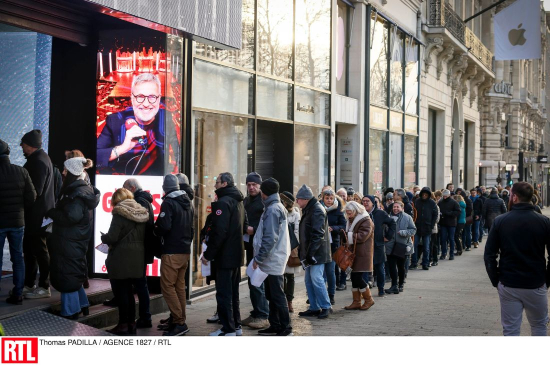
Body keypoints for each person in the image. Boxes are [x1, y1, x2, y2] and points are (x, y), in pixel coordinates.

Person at [484, 182, 550, 336]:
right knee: (539, 326)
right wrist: (546, 280)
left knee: (511, 329)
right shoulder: (544, 221)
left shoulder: (501, 221)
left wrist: (496, 280)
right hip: (535, 282)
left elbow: (489, 254)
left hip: (509, 283)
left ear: (514, 197)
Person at [47, 157, 99, 318]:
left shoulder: (76, 194)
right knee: (73, 273)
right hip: (74, 239)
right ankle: (82, 305)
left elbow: (71, 217)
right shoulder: (84, 190)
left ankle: (70, 311)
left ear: (72, 172)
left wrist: (52, 212)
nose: (63, 172)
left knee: (67, 274)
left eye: (65, 169)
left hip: (69, 240)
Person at [96, 73, 171, 175]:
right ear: (132, 98)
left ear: (159, 98)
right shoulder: (114, 121)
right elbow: (94, 157)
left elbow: (180, 156)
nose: (146, 104)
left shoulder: (167, 119)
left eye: (152, 97)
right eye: (140, 97)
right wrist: (122, 148)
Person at [202, 172, 247, 336]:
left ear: (225, 184)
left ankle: (228, 328)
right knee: (233, 293)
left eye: (217, 182)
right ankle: (236, 326)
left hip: (225, 256)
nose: (215, 185)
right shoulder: (238, 201)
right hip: (235, 255)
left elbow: (219, 232)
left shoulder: (223, 203)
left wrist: (208, 254)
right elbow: (243, 227)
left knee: (224, 293)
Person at [102, 188, 148, 335]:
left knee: (121, 293)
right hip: (137, 258)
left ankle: (122, 324)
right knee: (129, 293)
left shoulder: (119, 213)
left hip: (121, 258)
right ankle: (131, 323)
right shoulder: (141, 211)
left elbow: (113, 237)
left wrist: (104, 238)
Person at [154, 174, 194, 336]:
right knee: (179, 287)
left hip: (171, 250)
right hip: (185, 250)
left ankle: (179, 322)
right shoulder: (188, 202)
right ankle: (180, 319)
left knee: (167, 287)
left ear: (165, 188)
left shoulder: (169, 202)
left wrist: (155, 229)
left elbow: (164, 226)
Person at [251, 178, 292, 336]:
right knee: (272, 294)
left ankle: (285, 326)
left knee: (277, 294)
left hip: (273, 259)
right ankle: (275, 324)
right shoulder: (275, 206)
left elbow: (270, 238)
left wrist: (259, 258)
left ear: (264, 192)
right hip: (273, 258)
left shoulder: (273, 209)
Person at [20, 129, 56, 299]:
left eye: (24, 144)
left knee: (38, 250)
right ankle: (30, 284)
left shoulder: (39, 162)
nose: (21, 146)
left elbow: (35, 191)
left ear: (31, 146)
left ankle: (43, 285)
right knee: (32, 249)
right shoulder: (42, 159)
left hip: (37, 215)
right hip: (39, 214)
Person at [0, 139, 36, 305]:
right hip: (17, 222)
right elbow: (32, 197)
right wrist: (21, 209)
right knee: (18, 258)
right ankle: (18, 293)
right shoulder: (21, 171)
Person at [296, 184, 333, 319]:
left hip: (317, 253)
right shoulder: (311, 209)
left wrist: (310, 253)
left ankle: (326, 306)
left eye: (298, 199)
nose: (297, 202)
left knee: (316, 279)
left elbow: (318, 234)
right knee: (309, 280)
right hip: (312, 252)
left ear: (305, 199)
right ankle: (314, 307)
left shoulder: (316, 210)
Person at [122, 178, 155, 329]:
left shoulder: (140, 202)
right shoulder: (144, 200)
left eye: (125, 188)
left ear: (132, 188)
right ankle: (144, 316)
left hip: (139, 250)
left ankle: (144, 317)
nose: (123, 192)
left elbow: (139, 227)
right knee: (140, 284)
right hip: (142, 249)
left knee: (141, 284)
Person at [241, 172, 269, 329]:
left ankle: (262, 315)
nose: (251, 187)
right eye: (249, 185)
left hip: (260, 248)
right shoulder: (246, 201)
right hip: (250, 246)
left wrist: (254, 228)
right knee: (252, 281)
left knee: (257, 281)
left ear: (260, 185)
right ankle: (257, 312)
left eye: (254, 185)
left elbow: (270, 226)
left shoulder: (264, 203)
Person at [342, 202, 375, 310]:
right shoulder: (352, 219)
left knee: (357, 277)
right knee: (354, 277)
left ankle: (368, 299)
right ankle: (356, 301)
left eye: (350, 213)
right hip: (355, 253)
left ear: (355, 211)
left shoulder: (366, 220)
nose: (348, 215)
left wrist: (347, 236)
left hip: (362, 254)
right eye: (347, 213)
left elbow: (363, 236)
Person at [363, 195, 395, 297]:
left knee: (380, 268)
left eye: (368, 201)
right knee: (364, 268)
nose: (365, 203)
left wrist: (388, 236)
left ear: (373, 203)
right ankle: (364, 290)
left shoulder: (380, 213)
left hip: (378, 244)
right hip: (364, 245)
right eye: (363, 201)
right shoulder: (360, 213)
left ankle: (381, 289)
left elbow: (392, 223)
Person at [320, 189, 346, 301]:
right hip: (320, 243)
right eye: (327, 198)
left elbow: (343, 226)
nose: (329, 201)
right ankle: (321, 293)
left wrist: (333, 228)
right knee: (321, 272)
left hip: (333, 244)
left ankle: (331, 294)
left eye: (331, 198)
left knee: (330, 271)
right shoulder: (319, 209)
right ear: (323, 198)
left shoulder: (338, 210)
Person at [385, 201, 416, 294]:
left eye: (397, 207)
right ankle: (394, 285)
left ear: (402, 208)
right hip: (390, 245)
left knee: (401, 266)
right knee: (391, 266)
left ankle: (401, 284)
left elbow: (413, 230)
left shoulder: (407, 217)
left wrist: (403, 233)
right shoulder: (388, 217)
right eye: (394, 207)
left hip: (402, 245)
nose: (395, 209)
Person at [280, 191, 301, 313]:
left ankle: (289, 301)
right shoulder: (279, 211)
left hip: (291, 247)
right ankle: (282, 300)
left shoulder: (295, 214)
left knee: (290, 276)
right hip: (281, 247)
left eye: (284, 200)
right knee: (281, 275)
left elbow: (297, 232)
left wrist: (294, 247)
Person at [411, 187, 438, 270]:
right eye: (423, 194)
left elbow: (435, 215)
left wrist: (431, 225)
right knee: (414, 246)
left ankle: (425, 263)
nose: (424, 196)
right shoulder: (417, 202)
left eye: (426, 195)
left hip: (427, 228)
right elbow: (414, 213)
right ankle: (414, 262)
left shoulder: (432, 203)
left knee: (426, 247)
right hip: (417, 227)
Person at [438, 189, 461, 261]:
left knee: (451, 239)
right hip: (443, 223)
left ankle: (451, 254)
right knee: (443, 239)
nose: (444, 197)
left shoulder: (454, 202)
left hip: (451, 223)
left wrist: (449, 213)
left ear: (448, 195)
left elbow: (458, 212)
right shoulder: (441, 202)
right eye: (443, 196)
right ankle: (443, 253)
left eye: (446, 196)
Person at [429, 193, 441, 267]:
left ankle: (435, 259)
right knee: (427, 245)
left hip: (433, 228)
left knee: (433, 245)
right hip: (425, 228)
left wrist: (430, 224)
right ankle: (429, 259)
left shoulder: (435, 206)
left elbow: (437, 218)